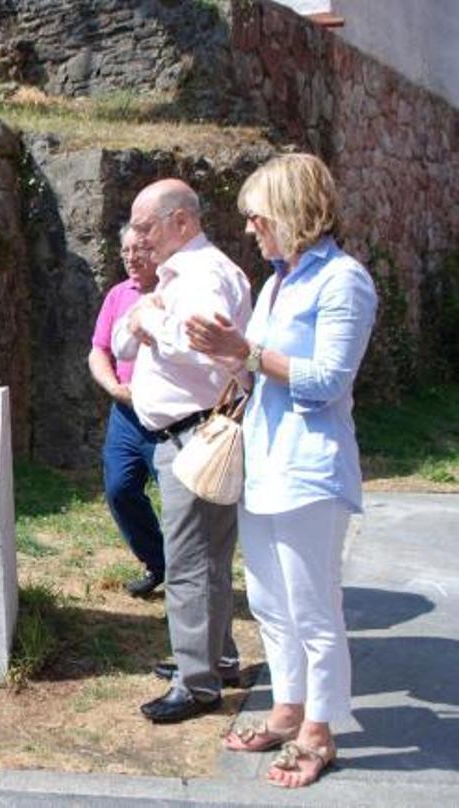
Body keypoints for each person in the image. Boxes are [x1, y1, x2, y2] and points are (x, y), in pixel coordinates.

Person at [186, 154, 376, 787]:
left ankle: (319, 731)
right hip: (265, 463)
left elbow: (326, 382)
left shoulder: (343, 281)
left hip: (309, 468)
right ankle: (287, 708)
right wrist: (227, 357)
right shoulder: (276, 284)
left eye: (257, 215)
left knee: (314, 609)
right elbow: (259, 374)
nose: (249, 228)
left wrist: (248, 351)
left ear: (293, 210)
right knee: (269, 603)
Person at [112, 179, 251, 723]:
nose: (139, 238)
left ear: (181, 222)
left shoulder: (203, 275)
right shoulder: (181, 276)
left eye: (145, 226)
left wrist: (152, 320)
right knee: (207, 557)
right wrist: (145, 320)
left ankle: (197, 684)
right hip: (187, 432)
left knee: (191, 561)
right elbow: (122, 341)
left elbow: (206, 348)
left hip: (196, 433)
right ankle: (215, 658)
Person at [89, 226, 165, 597]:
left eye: (140, 249)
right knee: (120, 489)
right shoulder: (119, 295)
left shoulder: (176, 291)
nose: (131, 258)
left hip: (168, 417)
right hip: (127, 415)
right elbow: (99, 350)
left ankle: (188, 576)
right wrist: (112, 387)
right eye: (125, 251)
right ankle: (158, 562)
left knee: (180, 501)